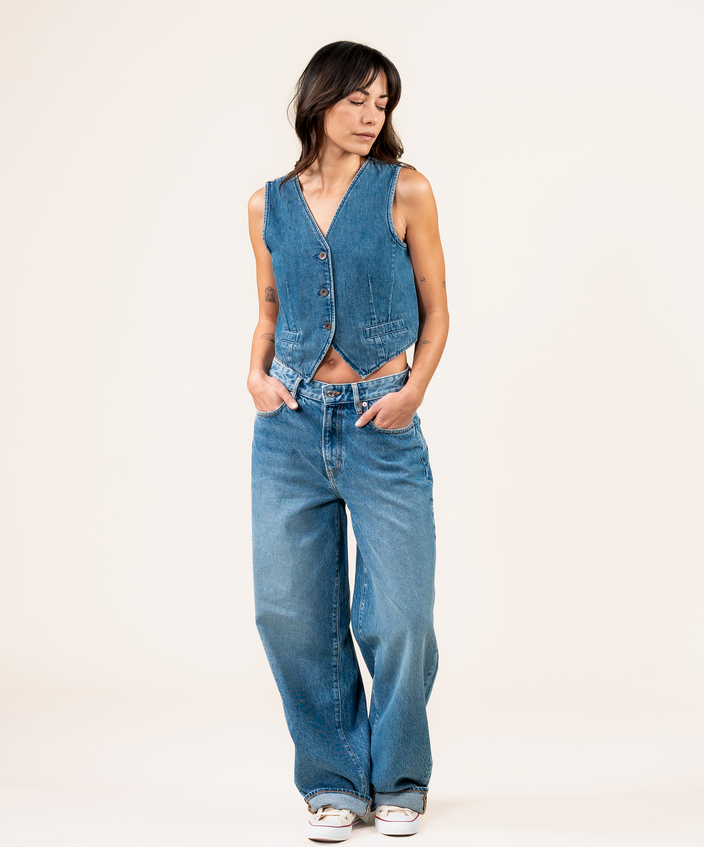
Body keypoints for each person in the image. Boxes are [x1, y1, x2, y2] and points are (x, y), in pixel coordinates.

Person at [246, 40, 449, 842]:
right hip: (288, 427)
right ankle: (332, 781)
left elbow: (437, 309)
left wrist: (412, 391)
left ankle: (399, 777)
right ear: (318, 100)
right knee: (289, 613)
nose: (371, 115)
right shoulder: (266, 204)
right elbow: (268, 309)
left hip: (380, 423)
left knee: (400, 616)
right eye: (357, 98)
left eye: (383, 103)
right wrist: (255, 375)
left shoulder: (406, 189)